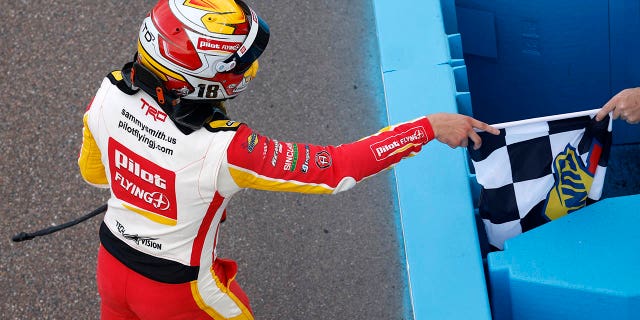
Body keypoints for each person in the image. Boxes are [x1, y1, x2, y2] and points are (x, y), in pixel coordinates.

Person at [77, 0, 500, 319]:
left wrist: (144, 176)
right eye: (235, 67)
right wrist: (427, 127)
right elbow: (337, 169)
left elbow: (94, 173)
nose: (250, 74)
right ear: (199, 76)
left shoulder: (110, 91)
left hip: (110, 268)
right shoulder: (225, 148)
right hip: (182, 293)